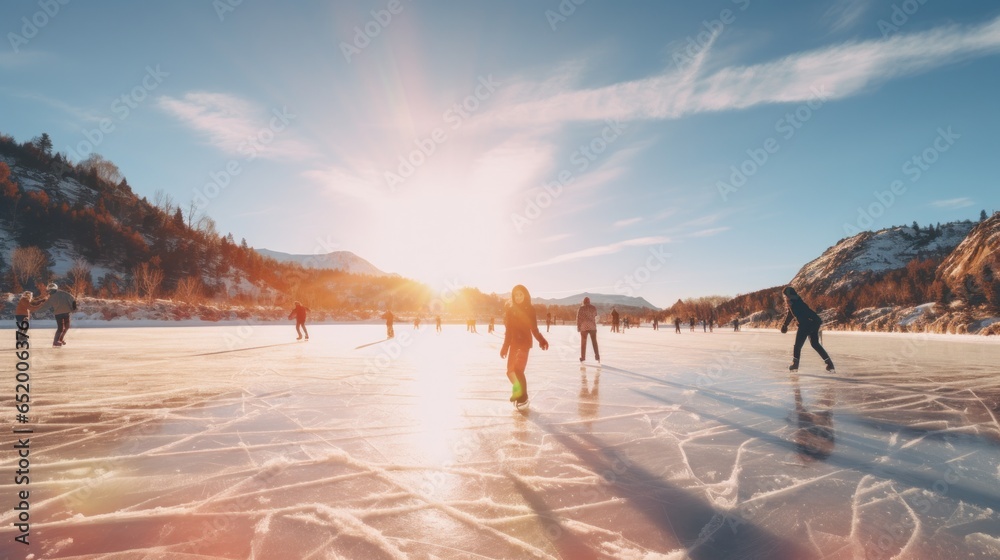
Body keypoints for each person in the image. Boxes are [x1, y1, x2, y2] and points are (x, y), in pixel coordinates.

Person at [500, 284, 548, 404]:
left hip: (524, 343)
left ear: (525, 295)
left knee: (518, 370)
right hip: (513, 343)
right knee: (510, 371)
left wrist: (541, 340)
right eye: (516, 295)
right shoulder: (511, 310)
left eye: (520, 294)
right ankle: (518, 391)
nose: (518, 297)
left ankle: (523, 397)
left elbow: (534, 328)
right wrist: (505, 347)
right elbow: (509, 331)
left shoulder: (530, 309)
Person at [780, 286, 835, 372]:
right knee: (815, 344)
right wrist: (785, 325)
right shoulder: (794, 302)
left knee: (798, 345)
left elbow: (804, 313)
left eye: (786, 295)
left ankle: (795, 364)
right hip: (813, 323)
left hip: (807, 324)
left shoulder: (796, 302)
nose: (785, 298)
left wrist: (803, 324)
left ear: (789, 295)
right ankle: (829, 364)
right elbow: (790, 314)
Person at [36, 283, 76, 347]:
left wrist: (37, 311)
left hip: (64, 313)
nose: (49, 292)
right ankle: (56, 341)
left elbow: (45, 306)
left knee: (64, 327)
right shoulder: (57, 295)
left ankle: (59, 339)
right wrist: (74, 307)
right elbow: (73, 299)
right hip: (61, 313)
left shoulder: (61, 294)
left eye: (50, 291)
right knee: (63, 328)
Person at [576, 296, 600, 363]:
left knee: (583, 342)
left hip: (584, 327)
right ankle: (597, 356)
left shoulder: (581, 308)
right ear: (589, 301)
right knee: (594, 342)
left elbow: (578, 318)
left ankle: (583, 357)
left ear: (583, 302)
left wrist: (578, 327)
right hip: (592, 326)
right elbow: (596, 316)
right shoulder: (593, 308)